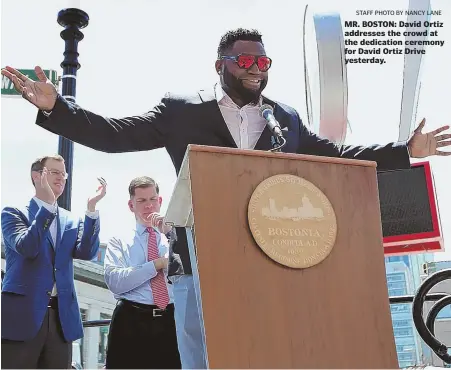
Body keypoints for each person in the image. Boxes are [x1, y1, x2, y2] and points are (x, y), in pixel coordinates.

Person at [2, 27, 450, 369]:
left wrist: (406, 152)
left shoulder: (285, 119)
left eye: (263, 60)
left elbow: (334, 155)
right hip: (197, 265)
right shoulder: (182, 110)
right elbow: (116, 134)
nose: (256, 68)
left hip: (267, 260)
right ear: (221, 65)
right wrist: (56, 110)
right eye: (245, 60)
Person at [1, 154, 106, 369]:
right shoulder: (13, 213)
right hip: (23, 318)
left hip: (61, 320)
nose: (61, 177)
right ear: (37, 176)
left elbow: (86, 252)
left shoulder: (70, 219)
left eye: (63, 174)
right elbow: (27, 247)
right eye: (54, 172)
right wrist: (47, 207)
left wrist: (91, 210)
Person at [103, 176, 181, 369]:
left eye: (153, 199)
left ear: (160, 201)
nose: (149, 206)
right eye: (142, 201)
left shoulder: (174, 237)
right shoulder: (118, 240)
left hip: (170, 320)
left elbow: (192, 272)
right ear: (131, 205)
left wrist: (171, 235)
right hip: (131, 320)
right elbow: (115, 280)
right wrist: (155, 265)